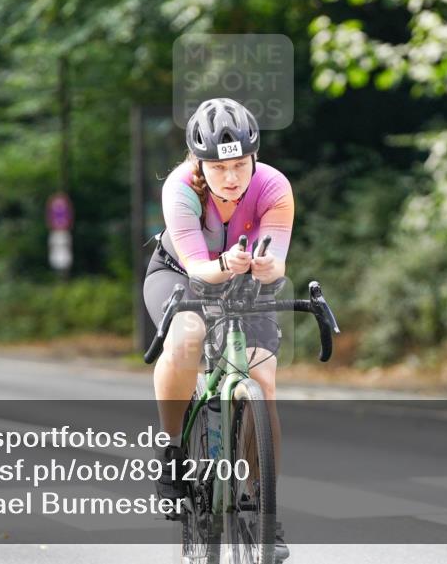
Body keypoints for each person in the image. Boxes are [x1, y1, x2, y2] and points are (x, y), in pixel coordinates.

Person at [143, 98, 295, 560]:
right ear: (199, 163)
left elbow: (276, 264)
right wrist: (225, 264)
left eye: (240, 164)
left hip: (245, 279)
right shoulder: (180, 188)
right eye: (219, 166)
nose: (231, 177)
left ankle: (263, 505)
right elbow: (198, 267)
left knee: (262, 379)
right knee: (187, 338)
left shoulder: (273, 186)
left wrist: (267, 267)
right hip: (181, 273)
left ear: (254, 157)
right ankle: (172, 451)